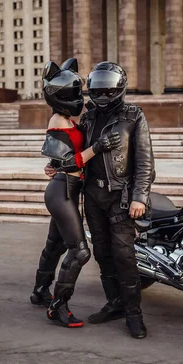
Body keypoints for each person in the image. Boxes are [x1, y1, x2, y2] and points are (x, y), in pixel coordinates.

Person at [48, 61, 155, 339]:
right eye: (99, 88)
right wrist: (56, 163)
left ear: (119, 87)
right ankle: (115, 303)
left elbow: (145, 161)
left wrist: (139, 196)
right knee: (102, 253)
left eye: (109, 88)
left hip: (121, 197)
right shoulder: (89, 116)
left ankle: (134, 314)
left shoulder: (134, 115)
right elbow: (75, 146)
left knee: (124, 255)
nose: (104, 93)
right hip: (92, 196)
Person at [31, 58, 121, 328]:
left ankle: (39, 291)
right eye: (73, 93)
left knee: (56, 245)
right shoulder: (58, 121)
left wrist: (54, 163)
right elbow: (70, 161)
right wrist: (99, 147)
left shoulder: (67, 118)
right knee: (80, 252)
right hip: (62, 191)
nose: (78, 98)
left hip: (67, 189)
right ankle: (57, 307)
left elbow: (63, 158)